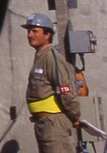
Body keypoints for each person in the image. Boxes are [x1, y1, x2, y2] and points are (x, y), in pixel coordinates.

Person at [22, 13, 81, 153]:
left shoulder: (51, 58)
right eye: (29, 31)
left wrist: (75, 115)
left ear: (47, 34)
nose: (30, 35)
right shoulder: (40, 57)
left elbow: (65, 89)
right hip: (43, 123)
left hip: (53, 124)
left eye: (35, 31)